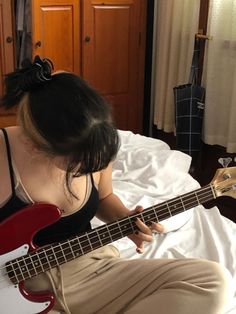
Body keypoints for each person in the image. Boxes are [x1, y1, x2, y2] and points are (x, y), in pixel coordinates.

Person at [0, 56, 232, 314]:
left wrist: (126, 220)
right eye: (79, 165)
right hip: (16, 289)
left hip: (93, 269)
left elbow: (103, 198)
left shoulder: (93, 143)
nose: (89, 168)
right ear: (35, 146)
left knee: (213, 282)